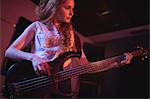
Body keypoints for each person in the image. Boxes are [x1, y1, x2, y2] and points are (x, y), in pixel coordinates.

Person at [4, 0, 133, 98]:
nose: (72, 13)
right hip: (34, 82)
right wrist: (33, 57)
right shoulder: (36, 27)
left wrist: (116, 62)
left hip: (60, 90)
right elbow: (9, 51)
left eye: (73, 9)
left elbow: (86, 66)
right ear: (54, 7)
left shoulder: (73, 36)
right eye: (67, 8)